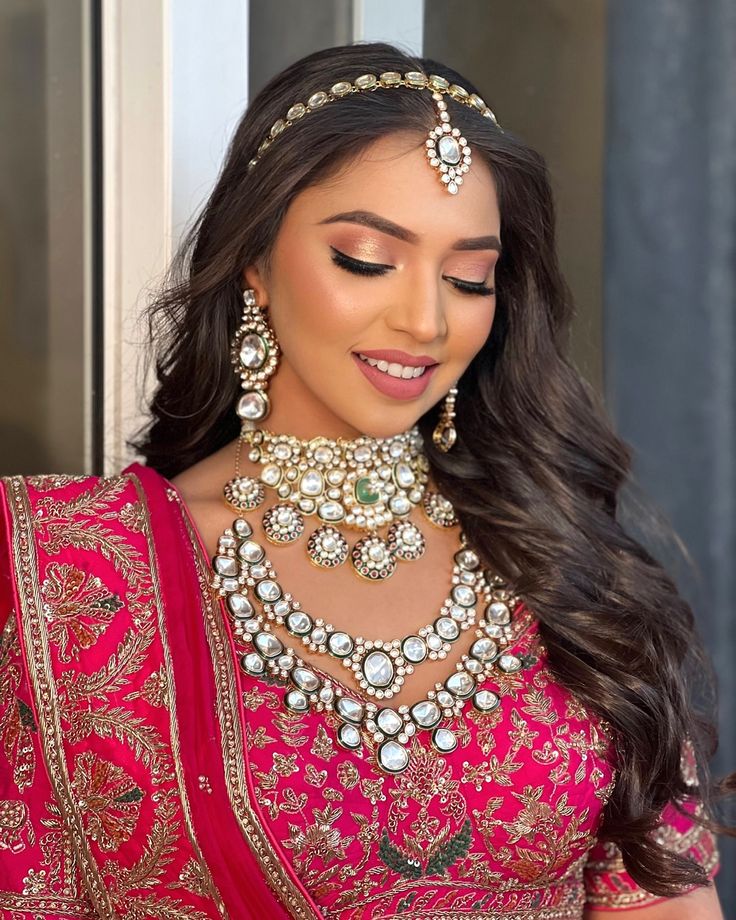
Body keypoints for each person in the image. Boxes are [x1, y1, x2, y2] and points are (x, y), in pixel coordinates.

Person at [0, 41, 731, 920]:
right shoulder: (71, 570)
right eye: (364, 259)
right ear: (256, 263)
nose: (425, 319)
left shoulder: (563, 562)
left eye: (469, 277)